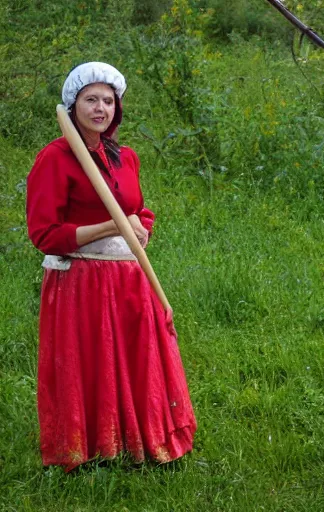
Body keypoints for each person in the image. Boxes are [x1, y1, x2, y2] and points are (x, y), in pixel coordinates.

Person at [26, 62, 196, 471]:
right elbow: (45, 235)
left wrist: (143, 229)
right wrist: (109, 225)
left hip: (129, 277)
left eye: (107, 100)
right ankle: (91, 448)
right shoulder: (55, 158)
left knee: (139, 357)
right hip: (81, 282)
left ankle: (141, 440)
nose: (100, 108)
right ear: (73, 104)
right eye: (91, 100)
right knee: (94, 364)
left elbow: (138, 210)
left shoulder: (126, 157)